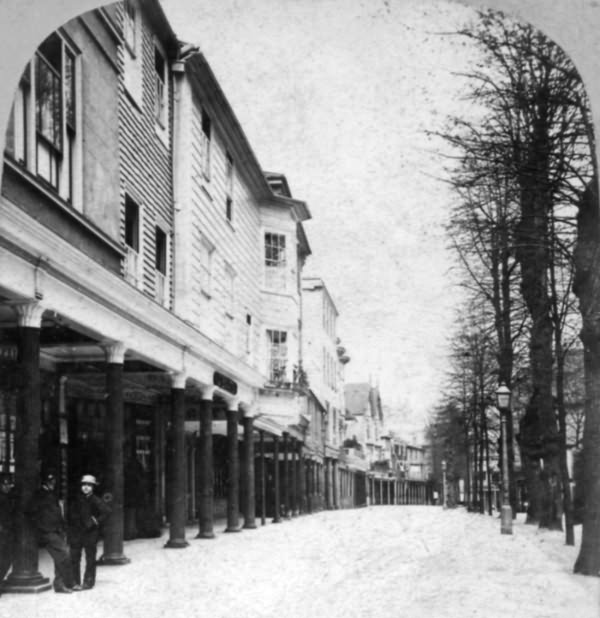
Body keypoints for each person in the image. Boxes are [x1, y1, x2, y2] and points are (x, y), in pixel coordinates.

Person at [29, 471, 76, 593]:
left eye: (53, 481)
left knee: (60, 556)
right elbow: (31, 512)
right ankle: (64, 583)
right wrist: (41, 527)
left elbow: (56, 512)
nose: (52, 484)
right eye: (50, 481)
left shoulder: (51, 494)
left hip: (56, 530)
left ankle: (60, 584)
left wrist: (62, 527)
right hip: (48, 531)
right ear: (44, 482)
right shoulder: (39, 495)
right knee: (64, 554)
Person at [68, 474, 110, 590]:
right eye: (84, 485)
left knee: (90, 558)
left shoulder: (96, 500)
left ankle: (89, 581)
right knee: (74, 557)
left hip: (90, 533)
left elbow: (106, 512)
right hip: (77, 532)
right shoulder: (76, 499)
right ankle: (75, 581)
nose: (86, 487)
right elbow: (70, 515)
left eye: (89, 485)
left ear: (93, 487)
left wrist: (96, 521)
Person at [0, 473, 15, 582]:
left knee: (8, 558)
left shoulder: (9, 497)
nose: (7, 486)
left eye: (9, 484)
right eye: (4, 484)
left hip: (7, 532)